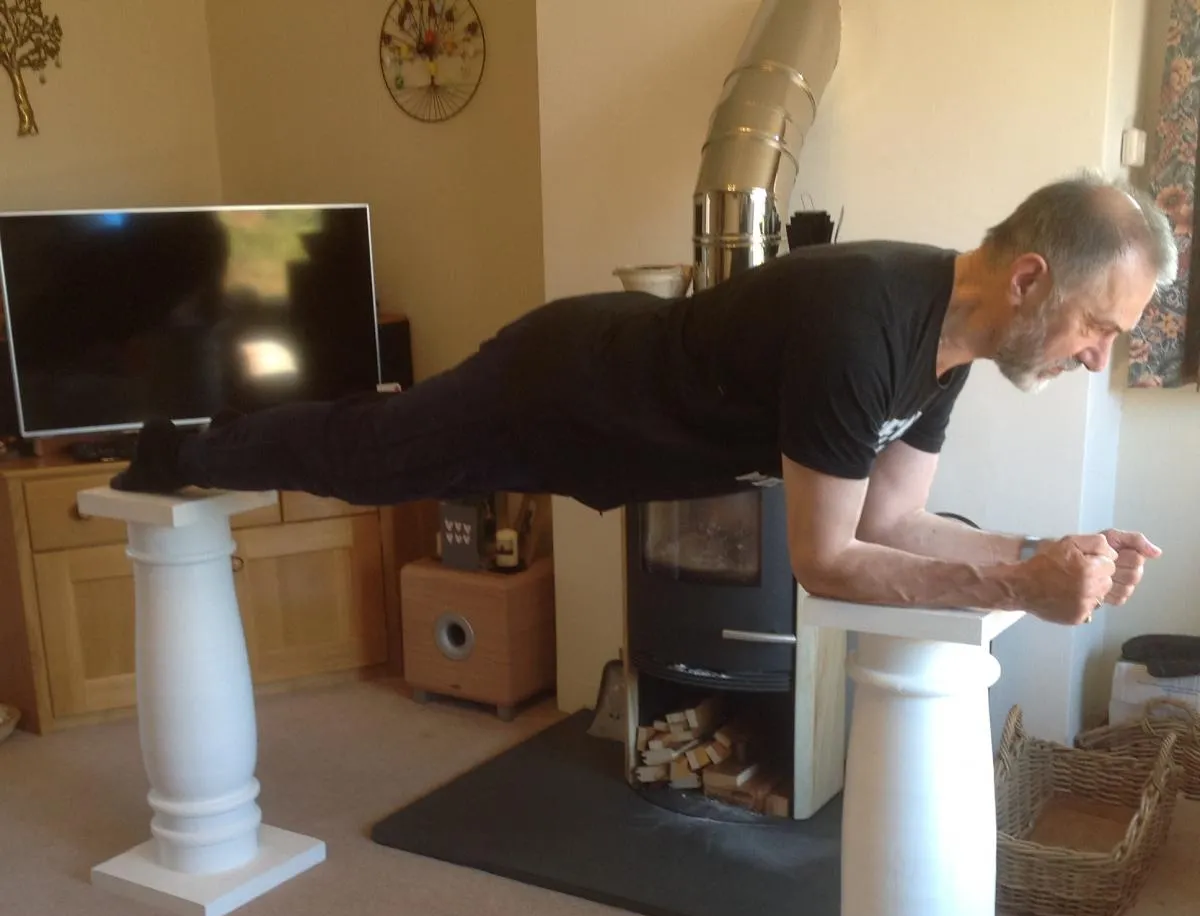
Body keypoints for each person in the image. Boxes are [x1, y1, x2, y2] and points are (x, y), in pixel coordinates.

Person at [111, 171, 1175, 627]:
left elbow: (895, 521)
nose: (1093, 359)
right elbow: (827, 562)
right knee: (367, 459)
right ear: (1031, 278)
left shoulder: (950, 348)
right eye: (1100, 328)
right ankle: (193, 450)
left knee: (372, 455)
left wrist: (1043, 551)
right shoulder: (869, 322)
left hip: (616, 432)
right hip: (561, 386)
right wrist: (1016, 591)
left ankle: (204, 443)